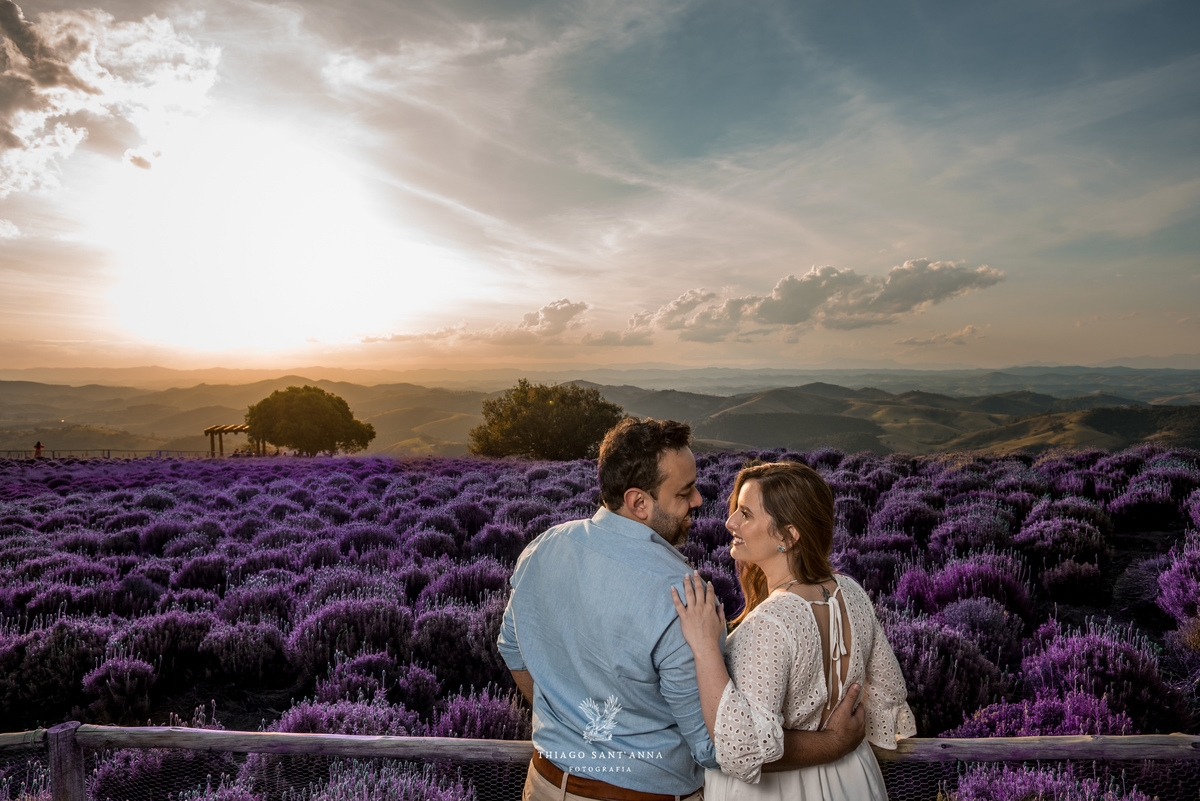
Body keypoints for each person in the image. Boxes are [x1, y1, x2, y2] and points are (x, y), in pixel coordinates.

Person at [498, 419, 867, 801]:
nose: (698, 501)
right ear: (639, 502)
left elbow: (512, 650)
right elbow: (716, 746)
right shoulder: (684, 596)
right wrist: (833, 744)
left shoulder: (541, 548)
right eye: (684, 492)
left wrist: (573, 723)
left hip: (543, 783)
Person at [671, 461, 915, 801]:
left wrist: (705, 648)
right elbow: (886, 693)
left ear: (788, 535)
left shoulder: (770, 622)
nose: (730, 523)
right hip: (852, 779)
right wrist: (833, 736)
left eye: (746, 514)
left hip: (779, 791)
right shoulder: (853, 592)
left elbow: (743, 751)